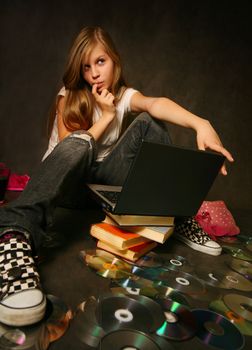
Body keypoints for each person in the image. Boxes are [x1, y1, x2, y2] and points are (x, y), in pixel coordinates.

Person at [0, 26, 234, 327]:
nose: (94, 73)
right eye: (86, 66)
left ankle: (174, 216)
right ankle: (13, 237)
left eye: (100, 62)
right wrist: (107, 116)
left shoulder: (123, 95)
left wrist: (201, 123)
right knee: (81, 143)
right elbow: (75, 144)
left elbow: (155, 103)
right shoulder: (68, 96)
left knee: (151, 122)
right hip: (65, 187)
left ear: (114, 61)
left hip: (100, 188)